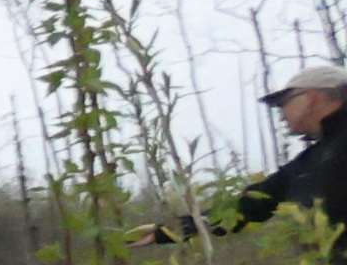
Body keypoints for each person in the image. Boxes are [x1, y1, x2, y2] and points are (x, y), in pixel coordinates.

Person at [144, 61, 347, 243]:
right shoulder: (313, 159)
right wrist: (171, 230)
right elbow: (254, 203)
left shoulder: (332, 151)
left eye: (283, 103)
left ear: (312, 97)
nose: (282, 114)